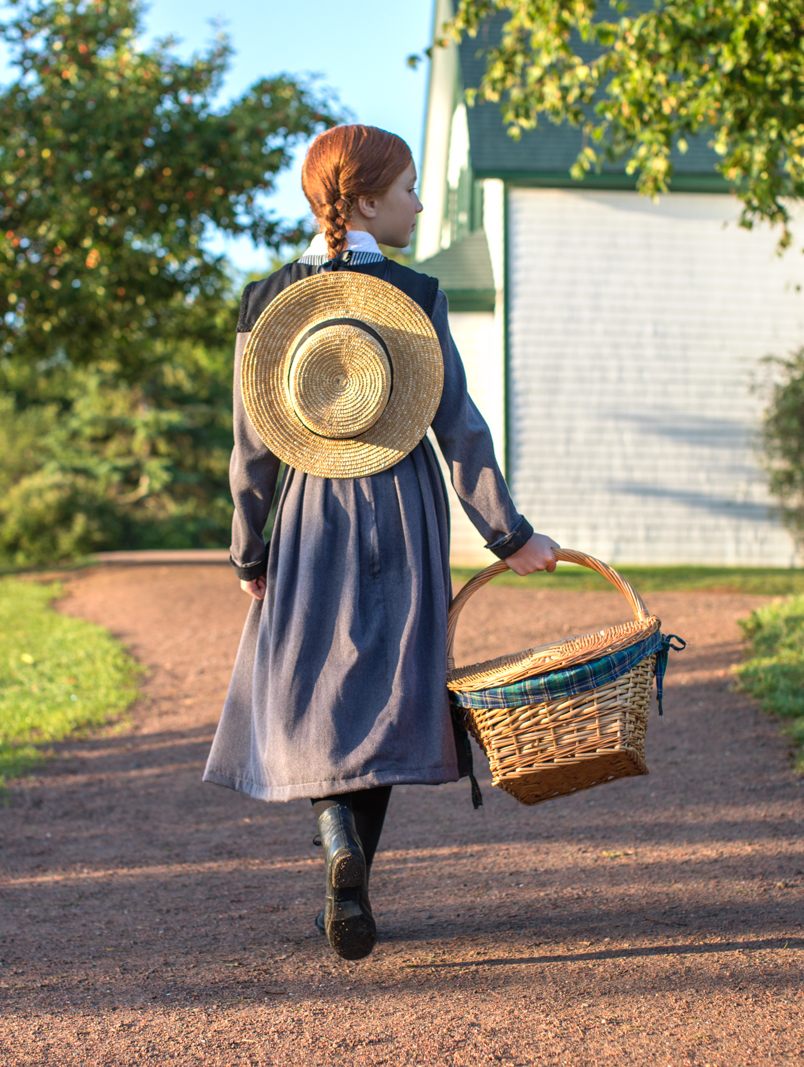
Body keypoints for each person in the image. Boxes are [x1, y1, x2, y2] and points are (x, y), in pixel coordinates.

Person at [203, 125, 558, 961]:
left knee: (313, 691)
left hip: (309, 515)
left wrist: (249, 550)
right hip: (402, 507)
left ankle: (336, 840)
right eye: (407, 190)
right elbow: (459, 429)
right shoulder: (415, 295)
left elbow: (250, 449)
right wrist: (509, 535)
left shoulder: (267, 300)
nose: (421, 202)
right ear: (364, 200)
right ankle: (355, 862)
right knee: (392, 692)